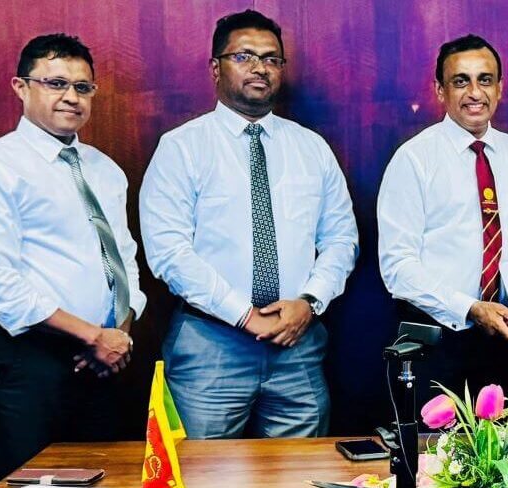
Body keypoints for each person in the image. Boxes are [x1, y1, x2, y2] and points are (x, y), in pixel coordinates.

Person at [140, 10, 358, 438]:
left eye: (272, 59)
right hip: (210, 345)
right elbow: (169, 252)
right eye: (244, 56)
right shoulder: (183, 147)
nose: (260, 68)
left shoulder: (311, 148)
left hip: (296, 343)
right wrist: (243, 315)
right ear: (215, 67)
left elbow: (341, 239)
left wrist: (310, 302)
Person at [0, 33, 145, 485]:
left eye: (83, 87)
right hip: (30, 364)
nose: (71, 97)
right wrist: (92, 335)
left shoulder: (104, 169)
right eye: (56, 83)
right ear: (21, 87)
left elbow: (124, 262)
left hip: (105, 362)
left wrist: (116, 336)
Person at [377, 34, 508, 402]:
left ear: (500, 88)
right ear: (440, 91)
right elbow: (397, 267)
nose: (475, 92)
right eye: (461, 81)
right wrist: (471, 308)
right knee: (440, 458)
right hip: (439, 339)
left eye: (485, 79)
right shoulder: (414, 160)